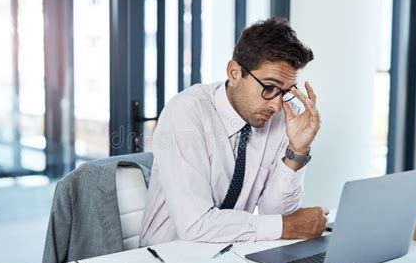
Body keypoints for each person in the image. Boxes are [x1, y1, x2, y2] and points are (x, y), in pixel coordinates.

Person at [139, 17, 327, 247]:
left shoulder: (283, 115)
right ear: (234, 72)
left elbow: (275, 212)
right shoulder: (187, 111)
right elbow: (195, 225)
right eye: (269, 88)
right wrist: (286, 226)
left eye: (286, 92)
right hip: (168, 256)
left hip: (231, 252)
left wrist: (297, 151)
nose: (276, 105)